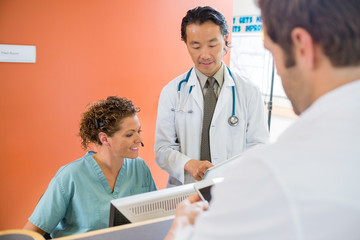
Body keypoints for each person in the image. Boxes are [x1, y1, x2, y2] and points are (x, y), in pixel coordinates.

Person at [165, 0, 360, 239]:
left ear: (302, 46)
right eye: (195, 45)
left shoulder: (275, 173)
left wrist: (181, 227)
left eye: (271, 50)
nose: (204, 54)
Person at [155, 6, 269, 187]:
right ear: (186, 44)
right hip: (185, 190)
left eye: (212, 44)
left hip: (232, 188)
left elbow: (258, 146)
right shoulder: (172, 92)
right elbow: (162, 150)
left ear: (225, 40)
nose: (205, 55)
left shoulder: (249, 91)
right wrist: (189, 164)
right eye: (196, 46)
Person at [23, 96, 157, 238]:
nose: (139, 140)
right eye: (129, 134)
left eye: (139, 131)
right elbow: (28, 234)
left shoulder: (139, 168)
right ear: (104, 139)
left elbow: (156, 217)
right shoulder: (70, 176)